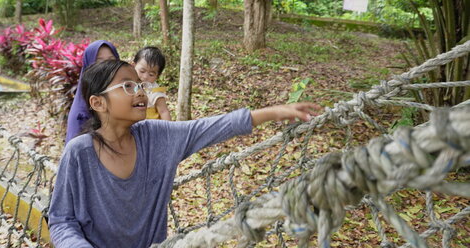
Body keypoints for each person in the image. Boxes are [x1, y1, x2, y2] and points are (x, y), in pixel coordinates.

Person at [49, 59, 321, 248]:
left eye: (140, 84)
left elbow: (209, 127)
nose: (141, 91)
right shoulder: (79, 153)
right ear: (98, 103)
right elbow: (61, 221)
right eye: (127, 86)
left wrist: (274, 112)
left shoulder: (158, 137)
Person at [65, 40, 120, 144]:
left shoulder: (123, 94)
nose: (106, 65)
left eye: (111, 60)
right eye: (99, 61)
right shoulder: (81, 114)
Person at [133, 46, 171, 120]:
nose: (145, 77)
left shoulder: (155, 91)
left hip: (151, 127)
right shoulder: (128, 84)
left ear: (157, 76)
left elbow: (164, 111)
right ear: (133, 65)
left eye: (151, 74)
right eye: (142, 71)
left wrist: (169, 129)